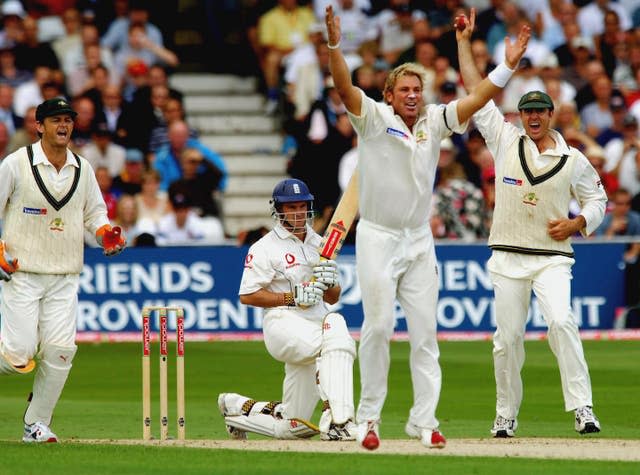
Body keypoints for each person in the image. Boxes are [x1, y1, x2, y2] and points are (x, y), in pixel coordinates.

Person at [325, 5, 530, 450]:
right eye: (405, 89)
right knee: (378, 327)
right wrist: (336, 47)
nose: (414, 95)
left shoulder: (436, 120)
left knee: (425, 333)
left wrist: (507, 67)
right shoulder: (374, 120)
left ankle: (425, 420)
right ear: (390, 93)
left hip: (419, 239)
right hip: (377, 236)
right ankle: (369, 419)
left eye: (418, 88)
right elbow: (344, 87)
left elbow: (476, 101)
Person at [458, 15, 608, 436]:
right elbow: (476, 90)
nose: (534, 118)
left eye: (540, 111)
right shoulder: (504, 140)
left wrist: (578, 222)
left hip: (552, 259)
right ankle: (506, 414)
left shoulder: (572, 159)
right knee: (507, 341)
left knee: (562, 322)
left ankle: (583, 409)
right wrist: (463, 42)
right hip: (506, 256)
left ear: (551, 113)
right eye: (527, 112)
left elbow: (599, 200)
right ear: (521, 116)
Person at [0, 98, 126, 443]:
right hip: (23, 273)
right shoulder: (16, 164)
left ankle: (35, 424)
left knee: (60, 351)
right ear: (38, 126)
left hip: (65, 275)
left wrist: (106, 235)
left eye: (68, 120)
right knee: (17, 357)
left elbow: (95, 216)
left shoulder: (83, 168)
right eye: (56, 119)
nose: (63, 125)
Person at [218, 178, 357, 442]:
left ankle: (237, 412)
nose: (297, 212)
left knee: (291, 427)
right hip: (283, 325)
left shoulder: (320, 244)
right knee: (337, 332)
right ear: (279, 210)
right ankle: (340, 420)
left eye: (302, 206)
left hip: (316, 324)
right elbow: (247, 295)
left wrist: (331, 281)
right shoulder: (264, 248)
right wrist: (290, 297)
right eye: (290, 207)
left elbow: (332, 296)